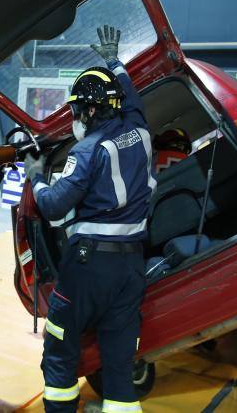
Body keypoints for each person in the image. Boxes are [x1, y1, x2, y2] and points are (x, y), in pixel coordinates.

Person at [24, 26, 154, 413]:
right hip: (132, 266)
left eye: (79, 111)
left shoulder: (86, 151)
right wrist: (115, 62)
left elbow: (51, 206)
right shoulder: (140, 130)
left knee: (60, 351)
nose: (77, 118)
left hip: (89, 267)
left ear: (92, 110)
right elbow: (131, 97)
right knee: (118, 360)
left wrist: (34, 176)